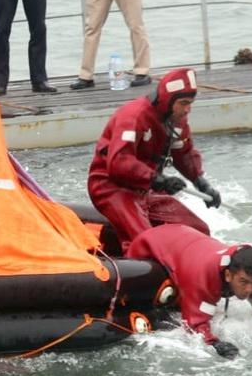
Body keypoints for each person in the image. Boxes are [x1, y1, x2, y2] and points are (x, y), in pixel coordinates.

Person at [87, 66, 223, 250]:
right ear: (168, 100)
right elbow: (119, 162)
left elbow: (184, 153)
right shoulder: (134, 116)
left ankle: (113, 238)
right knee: (147, 242)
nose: (188, 109)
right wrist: (158, 180)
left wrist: (201, 182)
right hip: (111, 187)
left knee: (198, 230)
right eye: (183, 103)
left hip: (144, 189)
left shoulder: (176, 121)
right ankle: (131, 255)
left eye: (190, 103)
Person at [128, 224, 252, 359]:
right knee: (171, 303)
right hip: (150, 244)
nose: (249, 289)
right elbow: (194, 325)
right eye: (243, 282)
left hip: (188, 240)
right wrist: (215, 343)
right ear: (228, 275)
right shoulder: (203, 276)